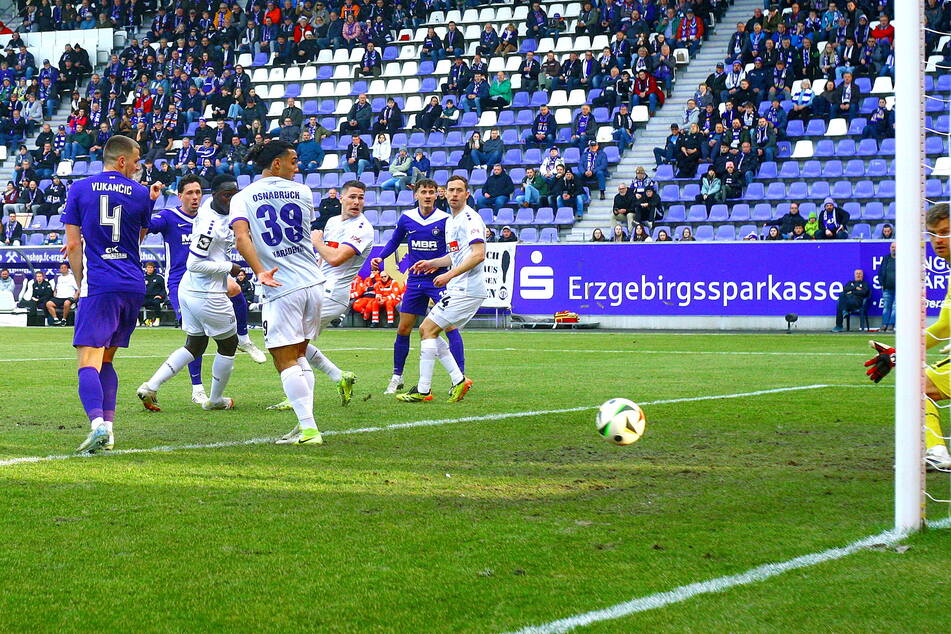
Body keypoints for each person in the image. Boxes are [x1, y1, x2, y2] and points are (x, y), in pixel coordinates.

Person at [64, 135, 162, 454]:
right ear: (121, 161)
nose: (138, 166)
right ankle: (110, 431)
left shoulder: (79, 189)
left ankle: (96, 427)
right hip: (132, 285)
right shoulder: (141, 194)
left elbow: (74, 245)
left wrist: (81, 282)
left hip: (100, 285)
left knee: (87, 362)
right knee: (107, 359)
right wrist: (150, 201)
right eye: (136, 160)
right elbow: (138, 239)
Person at [230, 140, 325, 445]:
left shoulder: (243, 197)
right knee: (299, 355)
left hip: (281, 286)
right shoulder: (305, 192)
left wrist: (259, 270)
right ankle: (305, 423)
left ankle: (309, 429)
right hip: (313, 282)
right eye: (293, 161)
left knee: (284, 359)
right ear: (276, 164)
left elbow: (241, 238)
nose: (298, 167)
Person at [148, 175, 266, 404]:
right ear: (179, 195)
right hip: (186, 281)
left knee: (231, 296)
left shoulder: (213, 212)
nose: (194, 197)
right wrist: (230, 266)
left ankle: (243, 338)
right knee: (208, 341)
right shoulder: (175, 218)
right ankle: (202, 390)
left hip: (201, 281)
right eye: (189, 193)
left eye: (197, 192)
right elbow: (148, 226)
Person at [269, 179, 372, 410]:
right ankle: (339, 377)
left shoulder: (363, 228)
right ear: (341, 198)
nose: (356, 202)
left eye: (361, 197)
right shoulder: (334, 222)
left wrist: (317, 242)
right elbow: (323, 260)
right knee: (296, 344)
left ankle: (299, 398)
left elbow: (335, 258)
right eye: (352, 197)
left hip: (333, 294)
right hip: (318, 288)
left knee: (292, 345)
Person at [370, 179, 465, 394]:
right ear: (416, 195)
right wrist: (380, 257)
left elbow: (454, 250)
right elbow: (394, 241)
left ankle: (459, 378)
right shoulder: (407, 218)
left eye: (432, 192)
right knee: (403, 328)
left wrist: (439, 265)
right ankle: (397, 376)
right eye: (424, 192)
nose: (428, 195)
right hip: (414, 280)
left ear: (437, 195)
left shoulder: (445, 219)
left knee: (449, 326)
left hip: (438, 280)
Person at [397, 175, 483, 403]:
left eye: (459, 190)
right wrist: (433, 264)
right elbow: (455, 256)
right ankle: (457, 380)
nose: (454, 194)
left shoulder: (470, 219)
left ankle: (425, 389)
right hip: (459, 286)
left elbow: (478, 255)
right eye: (451, 190)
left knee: (428, 330)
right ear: (445, 193)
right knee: (427, 330)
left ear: (467, 194)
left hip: (467, 288)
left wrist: (448, 275)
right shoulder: (452, 221)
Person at [877, 241, 896, 332]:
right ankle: (884, 324)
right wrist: (881, 284)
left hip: (899, 288)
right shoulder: (886, 258)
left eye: (895, 247)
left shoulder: (902, 259)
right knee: (886, 307)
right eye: (892, 247)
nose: (894, 249)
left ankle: (891, 325)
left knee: (895, 307)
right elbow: (880, 272)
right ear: (890, 248)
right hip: (887, 288)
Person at [142, 261, 167, 326]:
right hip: (145, 297)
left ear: (154, 268)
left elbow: (164, 289)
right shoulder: (142, 277)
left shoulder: (159, 277)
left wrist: (160, 295)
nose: (150, 269)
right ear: (146, 268)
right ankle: (138, 320)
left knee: (156, 302)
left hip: (156, 297)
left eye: (151, 267)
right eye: (148, 267)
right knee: (135, 302)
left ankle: (157, 319)